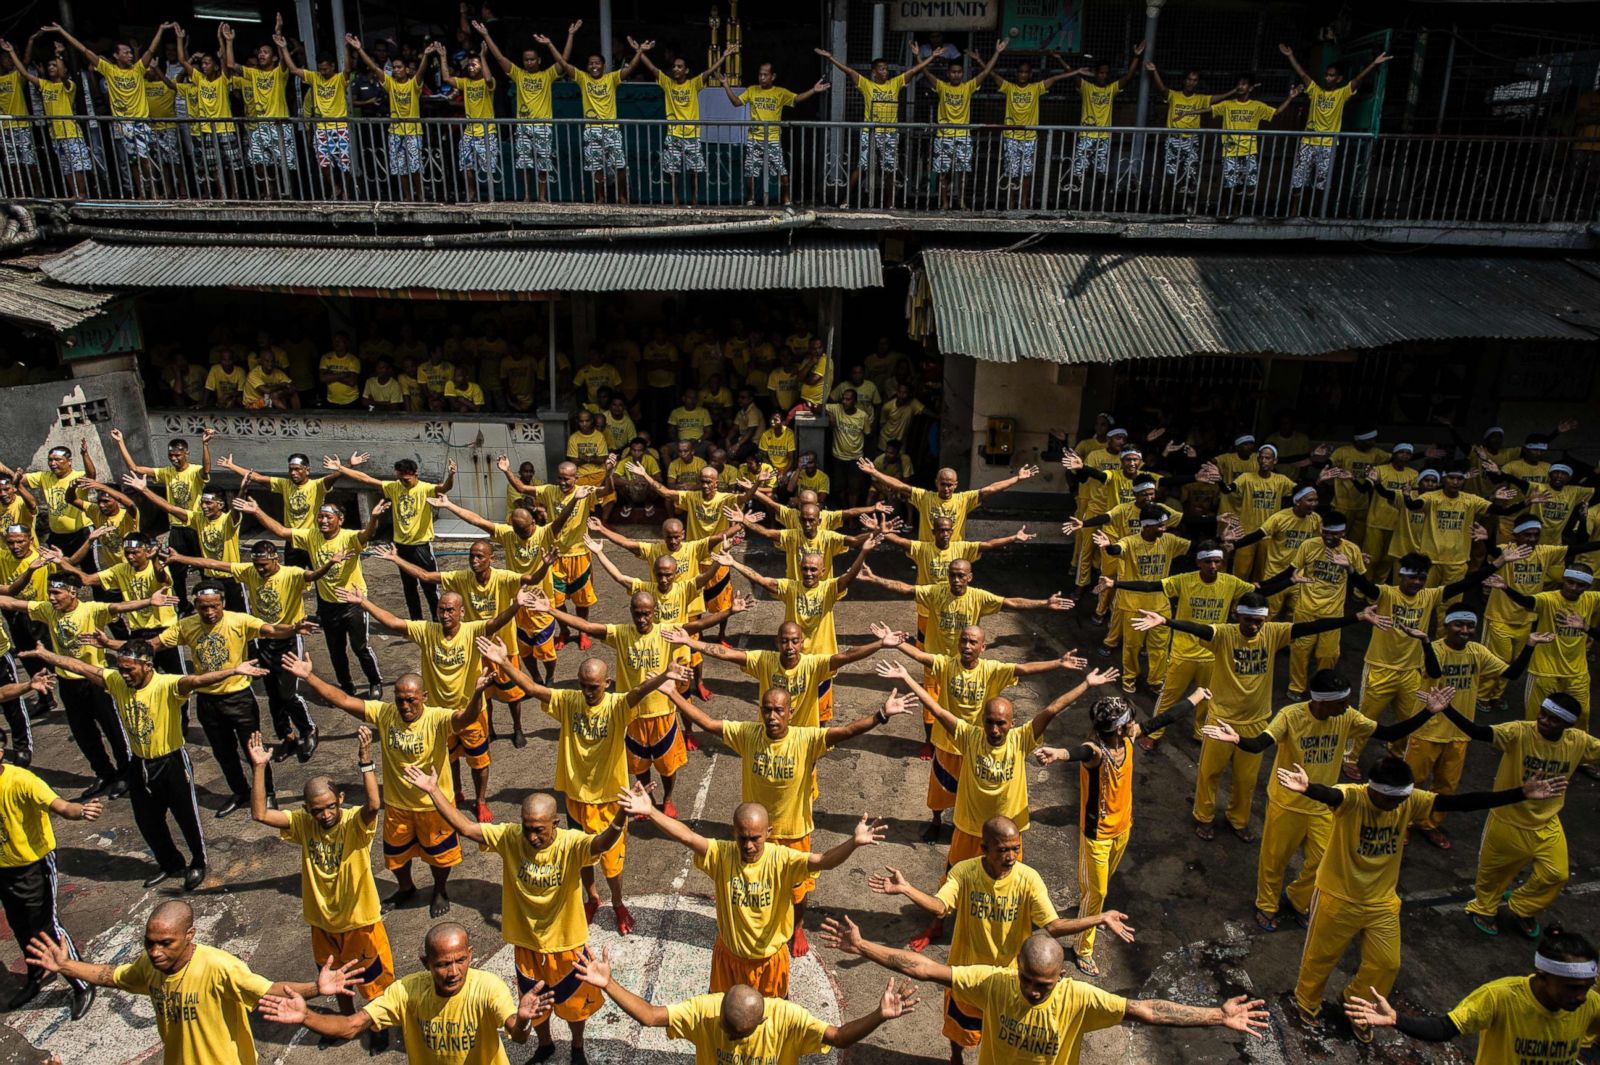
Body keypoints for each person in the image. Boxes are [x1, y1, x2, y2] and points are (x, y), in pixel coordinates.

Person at [1280, 754, 1563, 1037]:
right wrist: (1308, 788)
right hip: (1337, 897)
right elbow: (1331, 794)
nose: (1397, 806)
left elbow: (1459, 803)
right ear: (1373, 790)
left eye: (1401, 799)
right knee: (1321, 957)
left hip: (1382, 901)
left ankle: (1355, 1003)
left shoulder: (1410, 801)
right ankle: (1306, 1002)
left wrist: (1521, 793)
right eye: (1391, 800)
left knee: (1387, 964)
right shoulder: (1353, 798)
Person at [406, 756, 635, 1061]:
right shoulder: (511, 838)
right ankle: (545, 1045)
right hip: (527, 945)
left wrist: (620, 816)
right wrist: (433, 791)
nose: (532, 836)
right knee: (534, 1004)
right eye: (527, 828)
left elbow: (602, 844)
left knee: (575, 1005)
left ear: (555, 823)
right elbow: (466, 828)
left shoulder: (571, 843)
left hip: (566, 945)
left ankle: (577, 1047)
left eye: (539, 830)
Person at [668, 683, 916, 956]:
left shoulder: (805, 739)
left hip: (793, 832)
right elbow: (709, 722)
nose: (771, 716)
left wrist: (881, 714)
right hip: (756, 830)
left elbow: (846, 731)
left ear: (791, 712)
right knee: (751, 883)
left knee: (798, 889)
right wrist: (672, 693)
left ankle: (797, 927)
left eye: (778, 710)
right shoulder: (748, 734)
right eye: (766, 710)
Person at [868, 815, 1134, 1061]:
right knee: (960, 1031)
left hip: (1010, 983)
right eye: (1003, 850)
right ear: (984, 849)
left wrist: (1100, 918)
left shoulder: (1029, 879)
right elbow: (941, 907)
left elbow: (1053, 926)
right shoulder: (964, 872)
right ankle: (956, 1057)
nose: (1011, 857)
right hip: (971, 977)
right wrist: (907, 889)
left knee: (1006, 1042)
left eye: (1015, 848)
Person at [820, 918, 1271, 1061]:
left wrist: (1217, 1015)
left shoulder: (1080, 999)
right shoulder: (994, 983)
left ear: (1063, 978)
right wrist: (863, 945)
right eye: (1028, 982)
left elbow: (1148, 1010)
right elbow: (924, 968)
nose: (1035, 992)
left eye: (1045, 986)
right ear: (1015, 968)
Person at [1201, 672, 1446, 931]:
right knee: (1275, 860)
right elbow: (1261, 742)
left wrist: (1428, 713)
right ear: (1321, 702)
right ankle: (1267, 903)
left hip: (1323, 803)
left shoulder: (1348, 717)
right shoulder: (1291, 716)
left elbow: (1388, 732)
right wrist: (1238, 739)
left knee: (1321, 862)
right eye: (1341, 702)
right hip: (1288, 803)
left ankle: (1298, 898)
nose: (1347, 707)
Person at [1132, 593, 1383, 840]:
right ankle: (1203, 816)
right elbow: (1198, 629)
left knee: (1246, 780)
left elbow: (1312, 626)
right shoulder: (1224, 634)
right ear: (1237, 616)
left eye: (1258, 622)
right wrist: (1166, 621)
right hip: (1221, 719)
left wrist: (1357, 617)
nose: (1253, 626)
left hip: (1256, 720)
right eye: (1248, 621)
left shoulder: (1273, 633)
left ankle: (1238, 819)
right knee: (1209, 774)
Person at [479, 637, 684, 938]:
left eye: (594, 686)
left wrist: (665, 677)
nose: (587, 693)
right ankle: (593, 898)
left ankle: (617, 902)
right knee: (581, 856)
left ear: (608, 683)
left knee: (612, 864)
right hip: (575, 797)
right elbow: (534, 689)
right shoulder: (569, 701)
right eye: (583, 686)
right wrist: (505, 662)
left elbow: (636, 693)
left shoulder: (617, 706)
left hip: (610, 800)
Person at [23, 638, 262, 889]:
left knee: (186, 817)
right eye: (121, 668)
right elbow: (80, 667)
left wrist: (235, 670)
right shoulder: (116, 681)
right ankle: (170, 863)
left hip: (171, 762)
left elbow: (195, 680)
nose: (124, 674)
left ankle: (198, 862)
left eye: (129, 669)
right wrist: (45, 653)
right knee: (147, 820)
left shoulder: (167, 685)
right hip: (140, 763)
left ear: (147, 666)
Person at [621, 784, 887, 997]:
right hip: (729, 959)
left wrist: (853, 843)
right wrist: (652, 811)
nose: (748, 845)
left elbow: (822, 861)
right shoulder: (722, 854)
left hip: (769, 962)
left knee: (769, 1022)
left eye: (755, 838)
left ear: (768, 833)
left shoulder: (782, 860)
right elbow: (687, 836)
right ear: (733, 833)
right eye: (742, 837)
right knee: (723, 1021)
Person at [27, 900, 359, 1064]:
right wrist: (66, 965)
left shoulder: (219, 967)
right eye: (150, 942)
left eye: (166, 943)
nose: (155, 951)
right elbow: (109, 976)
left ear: (189, 936)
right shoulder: (150, 966)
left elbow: (268, 988)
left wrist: (317, 988)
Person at [284, 651, 481, 918]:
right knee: (396, 856)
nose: (405, 706)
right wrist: (309, 677)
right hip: (398, 804)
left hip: (434, 804)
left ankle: (439, 890)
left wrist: (478, 693)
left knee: (439, 856)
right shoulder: (385, 714)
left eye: (411, 700)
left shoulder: (436, 718)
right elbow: (343, 700)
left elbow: (465, 719)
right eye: (400, 700)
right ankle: (406, 887)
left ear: (424, 697)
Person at [530, 585, 747, 818]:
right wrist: (550, 609)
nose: (642, 618)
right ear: (631, 612)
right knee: (639, 766)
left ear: (655, 612)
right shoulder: (621, 634)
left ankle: (667, 797)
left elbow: (697, 625)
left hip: (662, 713)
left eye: (646, 613)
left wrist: (729, 612)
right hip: (632, 715)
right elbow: (587, 626)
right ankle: (648, 797)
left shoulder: (666, 632)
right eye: (637, 613)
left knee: (667, 766)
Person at [1033, 691, 1208, 976]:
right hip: (1097, 837)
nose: (1134, 722)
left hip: (1122, 828)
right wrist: (1057, 753)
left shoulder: (1128, 738)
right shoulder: (1097, 751)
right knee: (1098, 890)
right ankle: (1083, 948)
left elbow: (1163, 718)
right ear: (1118, 727)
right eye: (1129, 719)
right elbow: (1077, 752)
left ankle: (1088, 908)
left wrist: (1196, 697)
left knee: (1096, 889)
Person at [883, 661, 1116, 874]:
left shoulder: (1021, 738)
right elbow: (938, 710)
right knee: (955, 876)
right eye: (990, 722)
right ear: (982, 721)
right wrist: (907, 677)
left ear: (1012, 724)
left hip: (1008, 832)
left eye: (1001, 723)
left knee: (1007, 880)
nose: (994, 730)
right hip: (969, 827)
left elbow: (1052, 709)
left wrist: (1086, 684)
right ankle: (939, 917)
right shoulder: (969, 736)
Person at [246, 728, 393, 1053]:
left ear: (340, 800)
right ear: (307, 808)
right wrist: (258, 768)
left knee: (372, 983)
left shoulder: (354, 823)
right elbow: (259, 814)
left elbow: (373, 804)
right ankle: (344, 1025)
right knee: (335, 982)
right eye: (317, 810)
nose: (325, 815)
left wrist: (365, 761)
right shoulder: (303, 824)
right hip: (323, 925)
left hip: (359, 923)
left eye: (329, 807)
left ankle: (378, 1025)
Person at [334, 583, 532, 822]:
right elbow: (393, 622)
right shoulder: (427, 631)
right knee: (448, 758)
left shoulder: (472, 631)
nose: (445, 615)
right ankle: (457, 792)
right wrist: (363, 602)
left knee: (479, 762)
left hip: (470, 712)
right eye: (441, 610)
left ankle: (480, 800)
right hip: (438, 716)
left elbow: (495, 623)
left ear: (461, 612)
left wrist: (516, 605)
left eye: (450, 610)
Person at [888, 623, 1084, 842]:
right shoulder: (946, 664)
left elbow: (1025, 670)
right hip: (949, 741)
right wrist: (896, 644)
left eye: (973, 642)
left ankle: (972, 826)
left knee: (978, 790)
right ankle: (936, 821)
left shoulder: (992, 670)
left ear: (983, 647)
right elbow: (921, 658)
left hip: (980, 745)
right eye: (963, 640)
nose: (967, 646)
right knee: (940, 789)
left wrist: (1059, 663)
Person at [572, 945, 917, 1063]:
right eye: (729, 1031)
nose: (733, 1041)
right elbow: (648, 1016)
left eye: (739, 1035)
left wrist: (879, 1015)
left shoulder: (786, 1017)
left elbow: (839, 1036)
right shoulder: (708, 1010)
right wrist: (609, 984)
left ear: (763, 1020)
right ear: (720, 1008)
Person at [258, 922, 552, 1059]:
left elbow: (518, 1035)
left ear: (470, 955)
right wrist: (306, 1015)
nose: (453, 972)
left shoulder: (488, 988)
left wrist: (524, 1018)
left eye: (460, 960)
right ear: (425, 962)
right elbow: (351, 1026)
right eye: (442, 964)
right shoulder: (406, 992)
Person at [0, 570, 175, 801]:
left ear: (72, 592)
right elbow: (13, 603)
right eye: (50, 593)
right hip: (68, 684)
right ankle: (103, 773)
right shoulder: (47, 610)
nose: (52, 598)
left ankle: (127, 773)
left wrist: (149, 601)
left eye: (56, 593)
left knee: (114, 729)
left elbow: (118, 608)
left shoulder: (91, 610)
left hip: (96, 682)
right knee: (83, 733)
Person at [372, 537, 557, 747]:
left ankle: (517, 728)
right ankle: (490, 729)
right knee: (481, 691)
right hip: (475, 648)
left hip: (503, 647)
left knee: (512, 694)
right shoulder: (461, 578)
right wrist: (396, 559)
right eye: (471, 556)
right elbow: (425, 575)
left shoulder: (504, 578)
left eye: (479, 556)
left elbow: (531, 579)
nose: (474, 560)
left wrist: (546, 565)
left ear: (491, 559)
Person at [1347, 930, 1600, 1062]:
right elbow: (1446, 1027)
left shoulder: (1591, 1004)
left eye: (1587, 987)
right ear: (1543, 976)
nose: (1581, 996)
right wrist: (1396, 1020)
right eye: (1573, 987)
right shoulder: (1499, 997)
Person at [0, 688, 100, 1017]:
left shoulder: (22, 781)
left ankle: (81, 982)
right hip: (4, 869)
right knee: (20, 927)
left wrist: (79, 810)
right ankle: (35, 975)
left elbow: (59, 805)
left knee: (47, 927)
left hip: (34, 864)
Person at [233, 495, 386, 698]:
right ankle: (345, 686)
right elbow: (281, 531)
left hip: (353, 604)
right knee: (336, 652)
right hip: (328, 606)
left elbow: (367, 535)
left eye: (327, 517)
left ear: (339, 520)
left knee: (360, 647)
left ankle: (375, 681)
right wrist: (257, 511)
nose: (322, 521)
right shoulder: (311, 536)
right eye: (320, 517)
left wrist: (373, 518)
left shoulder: (349, 537)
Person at [331, 455, 456, 621]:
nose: (403, 482)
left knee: (429, 586)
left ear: (415, 474)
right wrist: (341, 468)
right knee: (409, 588)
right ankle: (415, 622)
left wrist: (451, 475)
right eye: (401, 478)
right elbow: (367, 479)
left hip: (421, 546)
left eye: (407, 479)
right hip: (401, 547)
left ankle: (437, 620)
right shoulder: (394, 487)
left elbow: (444, 488)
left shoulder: (425, 488)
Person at [815, 44, 938, 208]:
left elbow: (915, 70)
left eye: (886, 69)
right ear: (874, 71)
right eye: (881, 69)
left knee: (889, 170)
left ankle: (889, 203)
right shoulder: (867, 85)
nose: (885, 72)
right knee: (862, 166)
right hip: (870, 132)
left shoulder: (895, 83)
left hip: (889, 134)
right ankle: (845, 200)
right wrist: (831, 58)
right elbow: (849, 71)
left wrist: (928, 57)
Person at [1279, 43, 1393, 206]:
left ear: (1339, 79)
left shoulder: (1342, 94)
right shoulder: (1315, 91)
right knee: (1298, 179)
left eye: (1332, 75)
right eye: (1326, 75)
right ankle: (1294, 213)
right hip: (1308, 142)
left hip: (1327, 144)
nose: (1328, 78)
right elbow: (1302, 73)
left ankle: (1316, 215)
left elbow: (1358, 79)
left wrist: (1374, 64)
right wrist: (1290, 55)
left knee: (1321, 183)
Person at [633, 39, 737, 205]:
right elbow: (652, 68)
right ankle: (676, 202)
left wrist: (724, 56)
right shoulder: (667, 83)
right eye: (674, 66)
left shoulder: (693, 84)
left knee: (694, 172)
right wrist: (640, 51)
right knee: (673, 172)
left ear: (686, 70)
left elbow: (710, 71)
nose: (675, 69)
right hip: (673, 135)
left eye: (679, 66)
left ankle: (694, 202)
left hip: (692, 136)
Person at [544, 36, 646, 204]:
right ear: (587, 66)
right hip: (592, 129)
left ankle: (622, 196)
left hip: (611, 128)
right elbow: (563, 64)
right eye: (591, 63)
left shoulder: (611, 78)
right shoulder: (583, 78)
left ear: (604, 65)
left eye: (597, 63)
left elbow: (632, 67)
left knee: (619, 165)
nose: (594, 66)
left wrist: (639, 51)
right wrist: (550, 43)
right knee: (596, 167)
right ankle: (600, 197)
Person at [1495, 565, 1600, 728]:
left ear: (1588, 587)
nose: (1574, 588)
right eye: (1570, 582)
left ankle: (1574, 749)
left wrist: (1586, 627)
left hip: (1577, 671)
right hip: (1544, 670)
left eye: (1580, 585)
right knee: (1536, 716)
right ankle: (1531, 750)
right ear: (1563, 580)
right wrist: (1506, 588)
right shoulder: (1548, 599)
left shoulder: (1591, 599)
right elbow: (1527, 601)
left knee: (1582, 715)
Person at [215, 450, 361, 568]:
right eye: (291, 470)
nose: (293, 473)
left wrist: (349, 465)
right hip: (291, 540)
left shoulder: (317, 485)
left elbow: (335, 476)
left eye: (297, 469)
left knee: (320, 577)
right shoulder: (284, 484)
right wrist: (231, 466)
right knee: (294, 580)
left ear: (307, 470)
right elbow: (258, 478)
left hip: (312, 540)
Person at [482, 22, 572, 201]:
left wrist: (558, 40)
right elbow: (499, 58)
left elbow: (563, 61)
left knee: (543, 163)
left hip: (542, 126)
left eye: (532, 59)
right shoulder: (518, 74)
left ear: (539, 60)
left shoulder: (547, 75)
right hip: (522, 126)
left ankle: (542, 197)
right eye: (526, 59)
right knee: (524, 164)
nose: (529, 62)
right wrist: (486, 35)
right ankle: (527, 196)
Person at [719, 63, 829, 206]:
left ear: (773, 76)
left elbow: (796, 99)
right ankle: (751, 199)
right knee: (750, 172)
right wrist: (726, 85)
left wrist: (813, 90)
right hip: (754, 138)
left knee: (781, 171)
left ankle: (786, 199)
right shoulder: (752, 90)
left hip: (772, 139)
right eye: (760, 74)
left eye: (765, 75)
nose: (762, 78)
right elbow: (736, 102)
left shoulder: (780, 92)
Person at [858, 460, 1039, 542]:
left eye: (950, 485)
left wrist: (1017, 479)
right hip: (928, 552)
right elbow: (899, 485)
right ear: (936, 483)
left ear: (956, 485)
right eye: (943, 484)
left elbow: (991, 488)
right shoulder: (924, 497)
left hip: (953, 552)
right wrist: (875, 473)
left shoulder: (965, 499)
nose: (946, 488)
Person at [919, 43, 1006, 209]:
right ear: (948, 73)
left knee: (963, 172)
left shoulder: (968, 87)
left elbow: (986, 72)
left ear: (962, 74)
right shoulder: (942, 87)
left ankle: (961, 201)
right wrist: (923, 57)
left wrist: (996, 52)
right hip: (944, 136)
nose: (956, 75)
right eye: (953, 72)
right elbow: (924, 71)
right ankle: (945, 202)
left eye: (959, 72)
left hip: (963, 136)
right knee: (944, 171)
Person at [348, 35, 435, 201]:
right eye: (394, 67)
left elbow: (421, 71)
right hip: (395, 132)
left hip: (413, 132)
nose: (396, 70)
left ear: (407, 70)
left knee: (415, 168)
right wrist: (359, 49)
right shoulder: (390, 84)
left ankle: (421, 197)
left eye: (399, 67)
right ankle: (408, 197)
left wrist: (425, 55)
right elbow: (374, 68)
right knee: (399, 168)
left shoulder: (413, 84)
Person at [985, 56, 1077, 209]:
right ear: (1016, 73)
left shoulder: (1036, 88)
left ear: (1030, 74)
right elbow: (992, 74)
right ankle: (1011, 201)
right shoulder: (1009, 87)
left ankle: (1023, 201)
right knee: (1012, 172)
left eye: (1026, 72)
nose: (1023, 75)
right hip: (1011, 137)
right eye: (1020, 72)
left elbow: (1055, 78)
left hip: (1029, 137)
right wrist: (983, 59)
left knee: (1027, 172)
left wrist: (1076, 72)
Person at [275, 32, 354, 198]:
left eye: (325, 69)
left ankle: (345, 190)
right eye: (320, 69)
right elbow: (293, 69)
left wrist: (347, 48)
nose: (323, 72)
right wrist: (283, 48)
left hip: (339, 127)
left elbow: (347, 69)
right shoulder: (315, 77)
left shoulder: (340, 79)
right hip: (321, 128)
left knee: (344, 164)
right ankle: (335, 187)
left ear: (332, 66)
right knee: (323, 162)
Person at [4, 44, 89, 197]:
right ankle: (74, 194)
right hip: (55, 134)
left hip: (70, 132)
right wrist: (11, 51)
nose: (51, 67)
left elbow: (63, 75)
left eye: (54, 65)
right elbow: (23, 73)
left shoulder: (68, 86)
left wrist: (59, 55)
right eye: (49, 65)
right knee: (66, 167)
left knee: (77, 166)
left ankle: (82, 194)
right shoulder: (45, 85)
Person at [1060, 44, 1144, 196]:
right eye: (1100, 73)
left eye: (1106, 73)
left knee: (1101, 172)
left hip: (1103, 137)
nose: (1103, 76)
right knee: (1079, 170)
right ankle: (1073, 201)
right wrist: (1059, 58)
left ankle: (1098, 201)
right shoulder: (1087, 87)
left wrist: (1136, 56)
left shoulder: (1111, 89)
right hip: (1086, 135)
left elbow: (1129, 76)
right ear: (1095, 73)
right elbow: (1071, 73)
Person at [1144, 62, 1236, 200]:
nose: (1191, 83)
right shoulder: (1174, 96)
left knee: (1190, 175)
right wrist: (1154, 71)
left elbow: (1217, 98)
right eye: (1189, 79)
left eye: (1194, 80)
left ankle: (1186, 206)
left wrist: (1234, 91)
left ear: (1197, 82)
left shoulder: (1200, 99)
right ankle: (1166, 204)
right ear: (1184, 80)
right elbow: (1162, 88)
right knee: (1170, 174)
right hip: (1174, 139)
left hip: (1191, 141)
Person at [1211, 75, 1300, 205]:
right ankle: (1224, 211)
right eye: (1238, 84)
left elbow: (1276, 113)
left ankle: (1236, 211)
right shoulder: (1227, 104)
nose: (1240, 87)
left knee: (1247, 184)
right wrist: (1188, 113)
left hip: (1249, 150)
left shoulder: (1256, 106)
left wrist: (1290, 98)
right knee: (1228, 184)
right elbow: (1209, 109)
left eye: (1244, 84)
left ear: (1251, 88)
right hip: (1230, 150)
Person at [438, 35, 497, 200]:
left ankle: (492, 197)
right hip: (469, 131)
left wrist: (483, 57)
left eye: (474, 64)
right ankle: (471, 194)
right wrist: (443, 57)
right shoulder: (465, 82)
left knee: (489, 167)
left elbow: (488, 78)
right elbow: (446, 78)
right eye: (469, 65)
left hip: (486, 130)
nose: (470, 67)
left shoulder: (488, 83)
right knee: (466, 164)